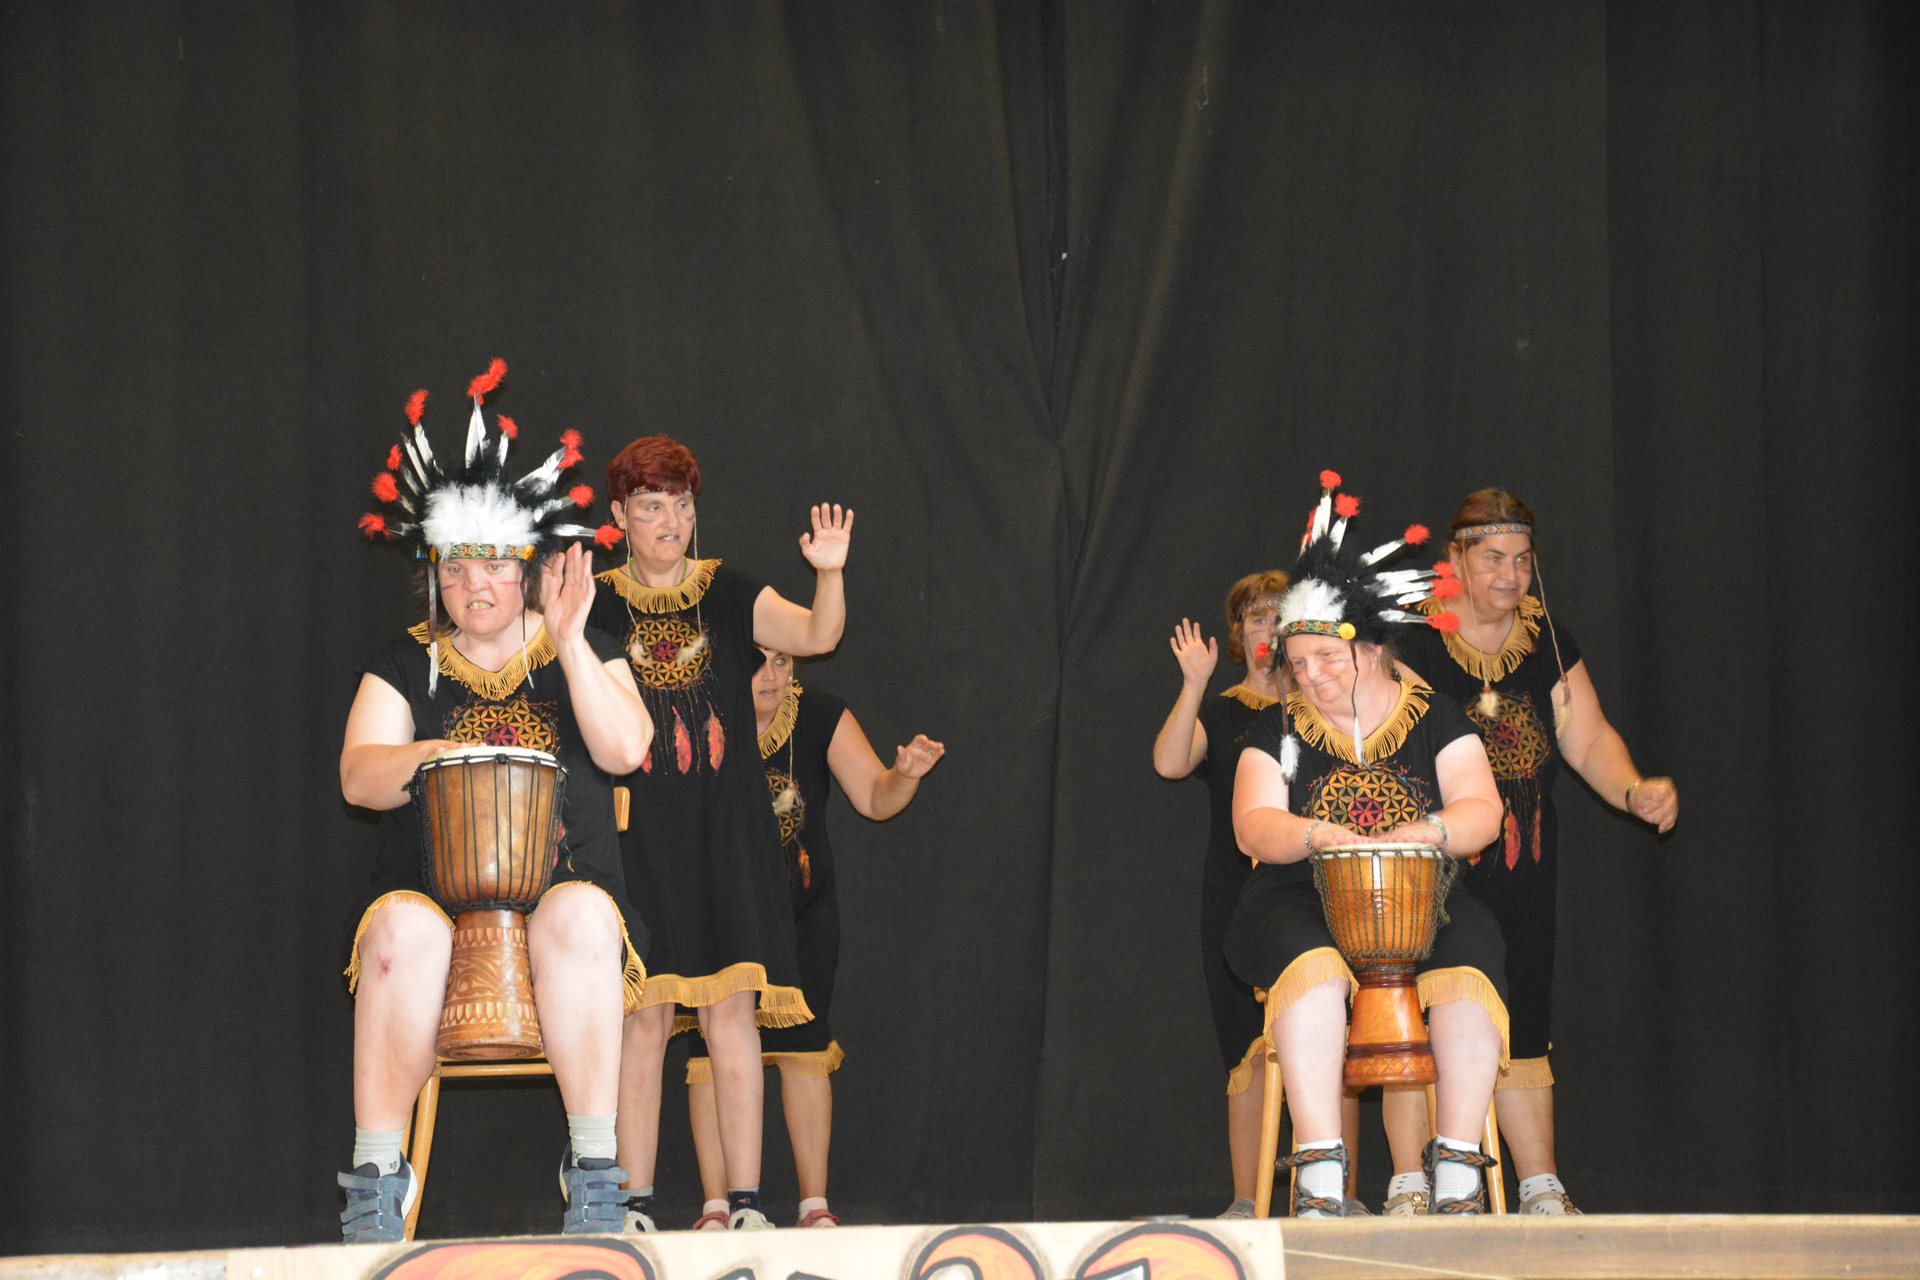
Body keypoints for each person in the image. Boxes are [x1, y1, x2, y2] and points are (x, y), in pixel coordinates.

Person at [340, 360, 651, 1240]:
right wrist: (434, 754)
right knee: (398, 931)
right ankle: (376, 1176)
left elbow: (627, 749)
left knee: (580, 916)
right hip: (433, 901)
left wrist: (572, 644)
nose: (475, 586)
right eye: (457, 567)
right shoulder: (407, 662)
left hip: (566, 892)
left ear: (526, 568)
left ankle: (595, 1169)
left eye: (494, 566)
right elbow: (358, 776)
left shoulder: (584, 644)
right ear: (436, 574)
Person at [1382, 487, 1679, 1214]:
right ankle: (1412, 1184)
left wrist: (1633, 788)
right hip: (1435, 867)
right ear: (1455, 560)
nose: (1510, 575)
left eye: (1521, 560)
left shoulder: (1546, 640)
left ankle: (1540, 1186)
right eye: (1493, 558)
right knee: (1419, 1016)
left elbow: (1588, 736)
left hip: (1524, 865)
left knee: (1523, 1017)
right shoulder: (1413, 640)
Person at [1225, 469, 1510, 1218]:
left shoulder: (1435, 717)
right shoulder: (1276, 729)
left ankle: (1457, 1168)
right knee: (1311, 965)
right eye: (1298, 663)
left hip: (1423, 896)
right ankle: (1320, 1170)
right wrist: (1315, 834)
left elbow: (1482, 809)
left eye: (1328, 657)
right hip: (1298, 895)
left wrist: (1432, 831)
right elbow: (1253, 823)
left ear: (1375, 648)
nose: (1311, 676)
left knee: (1472, 961)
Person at [588, 436, 853, 1231]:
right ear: (620, 515)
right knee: (641, 1021)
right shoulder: (593, 605)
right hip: (635, 836)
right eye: (651, 506)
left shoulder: (729, 591)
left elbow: (818, 635)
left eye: (681, 505)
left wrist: (830, 572)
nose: (671, 521)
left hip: (727, 834)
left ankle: (746, 1206)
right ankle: (633, 1206)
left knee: (731, 1015)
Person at [682, 647, 945, 1228]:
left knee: (805, 1051)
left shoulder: (820, 713)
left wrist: (904, 776)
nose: (770, 677)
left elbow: (875, 798)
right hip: (718, 914)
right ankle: (717, 1208)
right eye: (755, 663)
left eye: (782, 662)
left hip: (800, 914)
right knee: (709, 1056)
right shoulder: (693, 715)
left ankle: (814, 1206)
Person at [1154, 572, 1370, 1216]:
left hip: (1319, 893)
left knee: (1336, 1042)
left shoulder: (1324, 709)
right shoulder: (1223, 711)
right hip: (1236, 894)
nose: (1269, 630)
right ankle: (1247, 1202)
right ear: (1238, 633)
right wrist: (1194, 683)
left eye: (1280, 618)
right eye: (1256, 618)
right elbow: (1169, 762)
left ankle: (1341, 1197)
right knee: (1247, 1052)